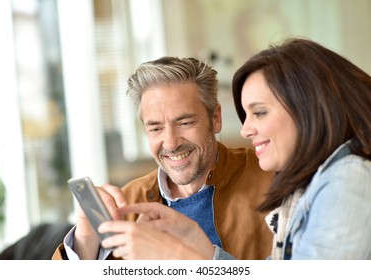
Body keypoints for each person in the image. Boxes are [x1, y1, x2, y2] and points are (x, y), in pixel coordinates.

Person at [101, 37, 371, 260]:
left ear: (308, 109)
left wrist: (183, 258)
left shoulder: (347, 181)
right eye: (155, 127)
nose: (245, 129)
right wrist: (202, 250)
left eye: (260, 112)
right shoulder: (312, 186)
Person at [52, 56, 273, 260]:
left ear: (215, 118)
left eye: (185, 123)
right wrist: (85, 239)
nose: (171, 143)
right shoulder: (127, 204)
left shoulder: (273, 180)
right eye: (156, 128)